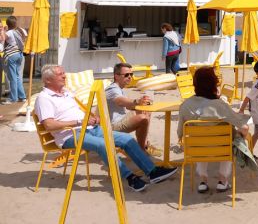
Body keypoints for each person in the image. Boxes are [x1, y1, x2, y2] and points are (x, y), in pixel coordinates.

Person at [34, 64, 177, 192]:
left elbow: (81, 111)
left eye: (63, 73)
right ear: (48, 80)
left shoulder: (67, 93)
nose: (65, 76)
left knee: (126, 139)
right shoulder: (44, 98)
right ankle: (129, 177)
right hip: (69, 135)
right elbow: (49, 125)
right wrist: (79, 122)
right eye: (60, 74)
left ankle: (152, 172)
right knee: (103, 145)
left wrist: (92, 117)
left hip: (90, 128)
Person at [178, 67, 250, 193]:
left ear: (195, 84)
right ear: (214, 84)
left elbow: (180, 133)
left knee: (200, 140)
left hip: (196, 150)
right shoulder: (220, 105)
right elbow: (243, 127)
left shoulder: (185, 106)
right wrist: (241, 135)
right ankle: (222, 181)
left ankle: (202, 181)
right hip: (222, 149)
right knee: (231, 139)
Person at [105, 63, 159, 156]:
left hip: (120, 120)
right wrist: (137, 101)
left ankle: (144, 145)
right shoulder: (112, 89)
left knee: (145, 111)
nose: (130, 77)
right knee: (143, 118)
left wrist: (142, 102)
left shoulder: (119, 88)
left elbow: (128, 106)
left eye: (131, 74)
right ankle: (141, 150)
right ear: (116, 76)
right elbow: (120, 101)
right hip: (112, 126)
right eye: (126, 75)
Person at [3, 16, 26, 104]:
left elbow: (2, 39)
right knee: (17, 77)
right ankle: (22, 96)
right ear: (16, 23)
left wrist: (3, 31)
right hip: (20, 55)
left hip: (11, 55)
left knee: (12, 78)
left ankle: (13, 98)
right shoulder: (20, 31)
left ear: (8, 24)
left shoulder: (9, 33)